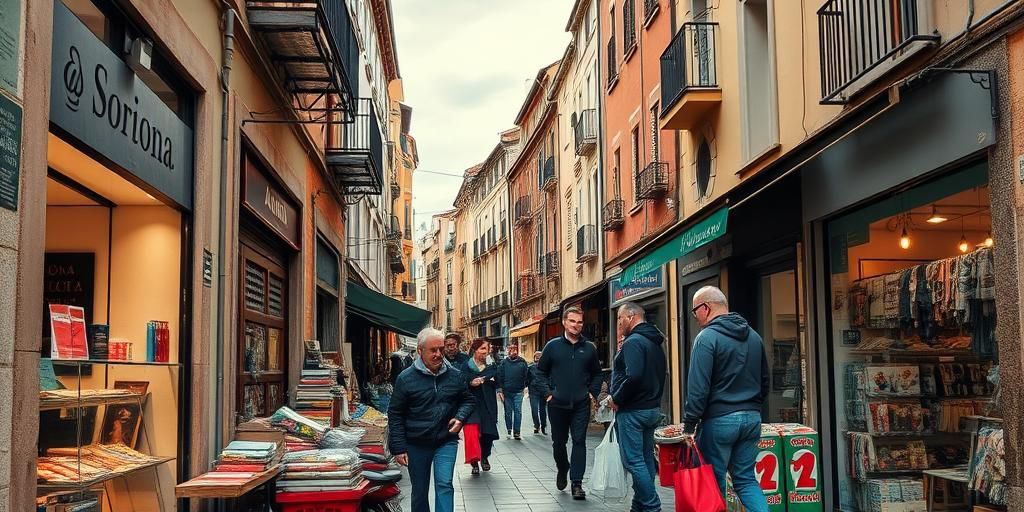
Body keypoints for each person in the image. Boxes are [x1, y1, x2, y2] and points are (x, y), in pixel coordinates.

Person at [683, 286, 770, 512]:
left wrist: (689, 425)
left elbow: (698, 389)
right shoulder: (754, 336)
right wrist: (752, 409)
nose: (695, 317)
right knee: (746, 480)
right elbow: (765, 381)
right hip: (751, 419)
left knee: (713, 481)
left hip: (719, 420)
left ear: (706, 307)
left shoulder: (706, 338)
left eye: (695, 312)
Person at [388, 328, 474, 512]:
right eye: (433, 350)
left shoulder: (454, 375)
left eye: (441, 350)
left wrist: (460, 418)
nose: (438, 354)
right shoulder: (406, 378)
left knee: (444, 485)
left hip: (446, 440)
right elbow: (395, 413)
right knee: (419, 491)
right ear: (420, 351)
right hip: (416, 443)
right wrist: (399, 447)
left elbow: (467, 400)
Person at [538, 306, 603, 500]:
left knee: (579, 441)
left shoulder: (589, 348)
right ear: (564, 322)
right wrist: (548, 394)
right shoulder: (552, 346)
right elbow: (540, 372)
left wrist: (592, 393)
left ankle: (577, 483)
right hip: (557, 404)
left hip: (581, 404)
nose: (576, 325)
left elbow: (597, 374)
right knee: (559, 443)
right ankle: (562, 467)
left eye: (580, 322)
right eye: (572, 321)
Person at [609, 302, 667, 512]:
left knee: (633, 461)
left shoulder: (634, 342)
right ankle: (639, 505)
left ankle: (652, 506)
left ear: (631, 317)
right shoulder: (655, 342)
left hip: (634, 411)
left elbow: (634, 377)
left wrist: (616, 397)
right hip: (651, 409)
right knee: (645, 459)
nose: (619, 323)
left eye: (620, 318)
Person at [463, 338, 500, 475]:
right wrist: (470, 381)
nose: (486, 352)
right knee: (472, 433)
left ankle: (484, 456)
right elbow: (462, 378)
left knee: (487, 433)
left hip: (487, 403)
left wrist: (484, 379)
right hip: (471, 404)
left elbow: (496, 374)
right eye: (483, 349)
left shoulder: (490, 363)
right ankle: (474, 462)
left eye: (487, 349)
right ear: (475, 350)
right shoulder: (467, 364)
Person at [496, 342, 528, 439]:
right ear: (508, 351)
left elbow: (527, 376)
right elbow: (499, 376)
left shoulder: (523, 362)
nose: (512, 352)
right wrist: (499, 390)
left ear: (517, 351)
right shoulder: (503, 363)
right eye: (510, 350)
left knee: (518, 411)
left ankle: (517, 432)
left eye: (514, 350)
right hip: (506, 391)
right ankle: (509, 429)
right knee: (508, 412)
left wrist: (525, 387)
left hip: (518, 391)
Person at [526, 351, 549, 435]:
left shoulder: (546, 367)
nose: (538, 357)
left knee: (543, 410)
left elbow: (549, 378)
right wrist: (527, 385)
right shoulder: (531, 367)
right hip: (533, 391)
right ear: (534, 357)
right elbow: (527, 378)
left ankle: (543, 426)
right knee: (534, 410)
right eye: (536, 356)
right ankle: (536, 425)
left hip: (543, 391)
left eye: (540, 356)